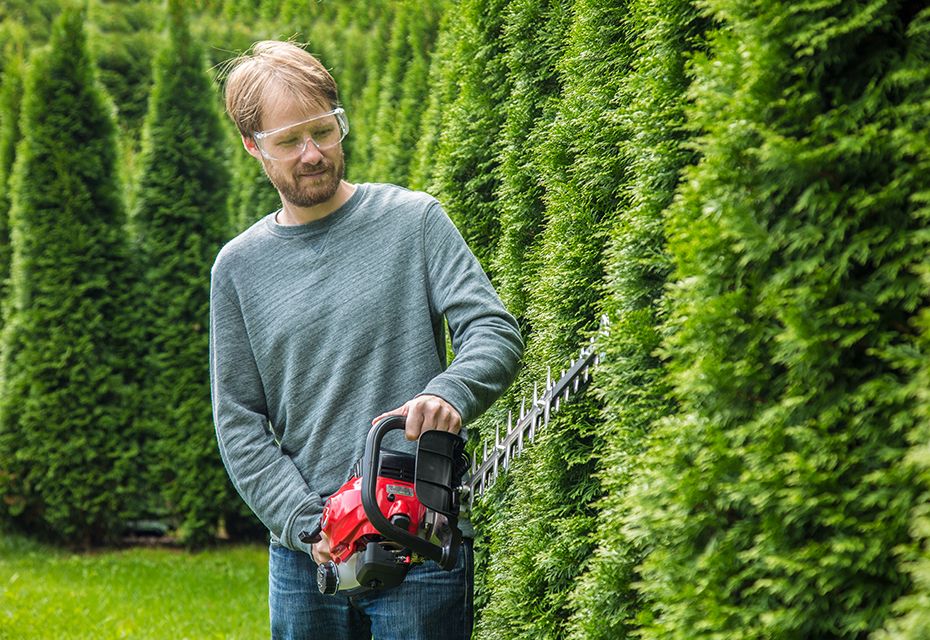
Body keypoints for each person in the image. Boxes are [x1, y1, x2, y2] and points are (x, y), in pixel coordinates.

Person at [210, 40, 523, 640]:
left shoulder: (415, 221)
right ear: (253, 146)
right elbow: (239, 422)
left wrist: (451, 393)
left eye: (323, 132)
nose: (312, 154)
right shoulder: (238, 268)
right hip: (305, 565)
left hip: (419, 537)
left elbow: (492, 330)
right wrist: (308, 524)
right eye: (288, 142)